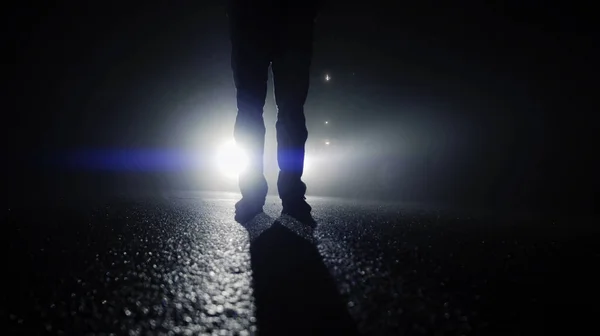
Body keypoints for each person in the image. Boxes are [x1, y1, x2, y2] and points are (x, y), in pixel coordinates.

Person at [227, 0, 320, 224]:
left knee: (252, 110)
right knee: (290, 111)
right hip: (291, 18)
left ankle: (256, 194)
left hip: (254, 17)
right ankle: (290, 195)